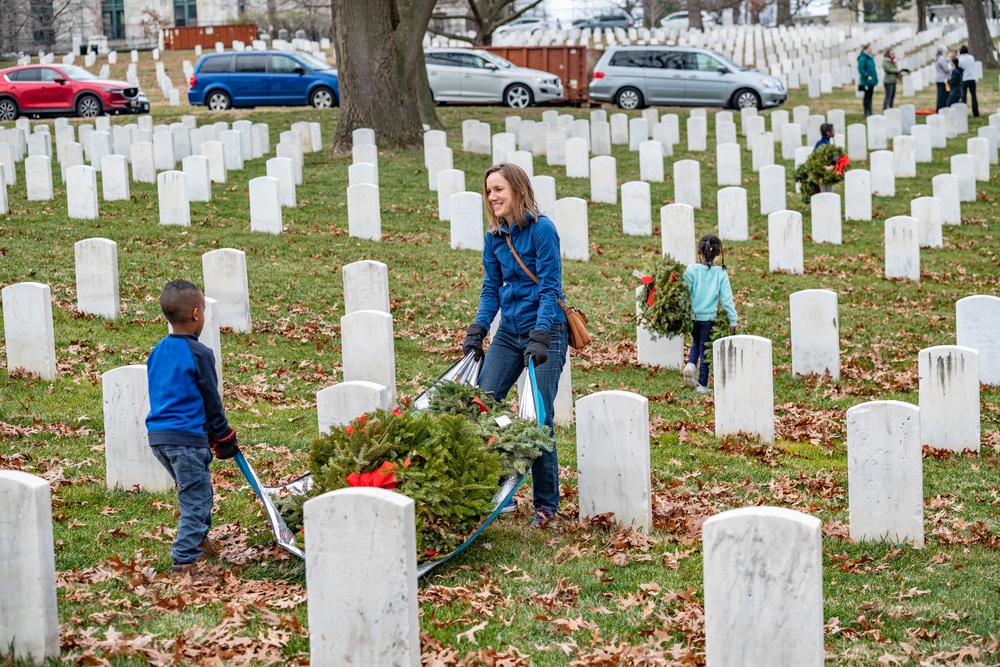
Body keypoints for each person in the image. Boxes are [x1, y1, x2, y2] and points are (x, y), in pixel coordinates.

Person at [462, 163, 567, 528]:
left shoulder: (542, 230)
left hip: (547, 332)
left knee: (539, 416)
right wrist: (479, 328)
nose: (492, 197)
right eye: (488, 191)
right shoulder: (494, 238)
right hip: (508, 332)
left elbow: (551, 287)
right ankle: (497, 492)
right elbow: (492, 287)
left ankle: (546, 504)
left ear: (518, 190)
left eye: (498, 190)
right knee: (483, 403)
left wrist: (540, 334)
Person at [146, 279, 239, 574]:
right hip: (185, 439)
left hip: (159, 437)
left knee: (196, 492)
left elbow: (175, 394)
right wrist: (223, 435)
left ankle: (198, 544)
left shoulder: (157, 351)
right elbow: (211, 401)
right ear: (197, 314)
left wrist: (208, 434)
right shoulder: (200, 354)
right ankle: (185, 558)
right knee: (197, 499)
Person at [682, 235, 738, 394]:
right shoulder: (720, 273)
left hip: (693, 317)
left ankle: (691, 364)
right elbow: (726, 299)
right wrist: (733, 320)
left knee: (696, 341)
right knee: (705, 349)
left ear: (699, 250)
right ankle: (702, 385)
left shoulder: (692, 269)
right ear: (719, 253)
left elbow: (684, 291)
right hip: (708, 319)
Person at [958, 45, 979, 117]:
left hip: (964, 79)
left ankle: (963, 114)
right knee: (974, 97)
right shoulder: (971, 58)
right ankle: (976, 113)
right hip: (972, 78)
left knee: (963, 97)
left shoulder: (960, 59)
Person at [857, 44, 878, 117]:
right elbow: (861, 69)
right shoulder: (863, 58)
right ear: (866, 49)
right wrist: (867, 75)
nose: (871, 50)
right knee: (866, 97)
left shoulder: (870, 58)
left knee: (870, 97)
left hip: (871, 80)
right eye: (869, 48)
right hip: (866, 81)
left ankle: (870, 110)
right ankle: (866, 111)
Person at [934, 46, 951, 111]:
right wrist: (951, 68)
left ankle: (939, 108)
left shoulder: (937, 58)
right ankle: (941, 108)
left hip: (939, 79)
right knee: (944, 95)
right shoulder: (942, 58)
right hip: (944, 79)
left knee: (940, 95)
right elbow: (946, 69)